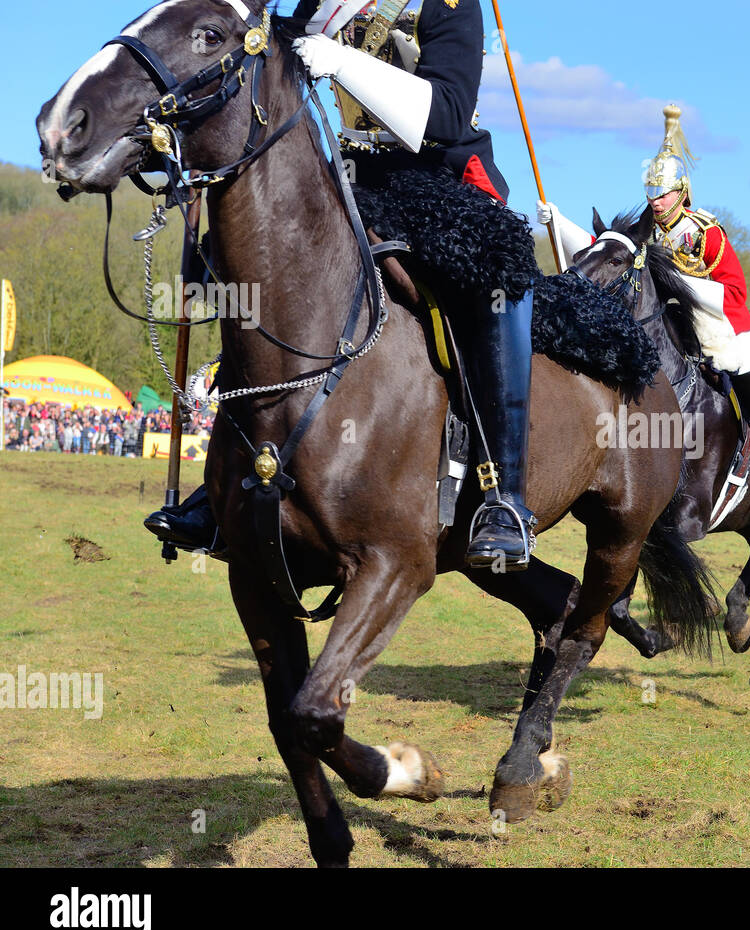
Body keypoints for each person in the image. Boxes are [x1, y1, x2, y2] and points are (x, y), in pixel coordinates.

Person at [146, 0, 540, 568]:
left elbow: (449, 114)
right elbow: (253, 46)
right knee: (242, 265)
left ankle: (505, 499)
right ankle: (225, 481)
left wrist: (341, 62)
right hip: (349, 176)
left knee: (494, 278)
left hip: (439, 176)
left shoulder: (448, 4)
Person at [538, 105, 750, 511]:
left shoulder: (704, 232)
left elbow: (735, 290)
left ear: (680, 192)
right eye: (651, 193)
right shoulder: (646, 232)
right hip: (661, 321)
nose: (655, 201)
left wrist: (684, 291)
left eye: (662, 194)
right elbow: (610, 252)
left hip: (712, 323)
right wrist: (558, 220)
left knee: (748, 360)